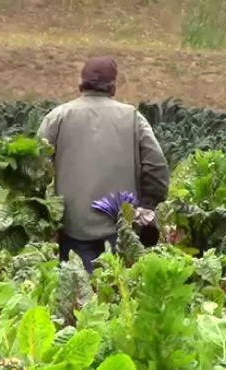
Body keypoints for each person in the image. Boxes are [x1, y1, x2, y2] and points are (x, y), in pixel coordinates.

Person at [37, 56, 169, 273]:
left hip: (73, 227)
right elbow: (157, 166)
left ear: (81, 82)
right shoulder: (133, 117)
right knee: (118, 292)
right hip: (121, 227)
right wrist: (148, 206)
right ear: (113, 85)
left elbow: (37, 168)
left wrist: (46, 217)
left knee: (78, 296)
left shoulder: (58, 117)